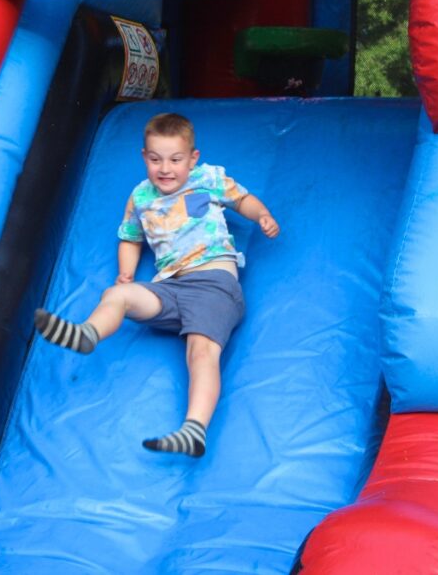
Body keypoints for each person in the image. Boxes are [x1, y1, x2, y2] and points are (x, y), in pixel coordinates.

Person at [34, 112, 279, 458]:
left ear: (192, 158)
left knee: (201, 352)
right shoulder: (141, 197)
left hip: (213, 283)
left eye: (175, 160)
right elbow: (130, 237)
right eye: (155, 159)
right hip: (170, 289)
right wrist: (126, 272)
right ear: (144, 157)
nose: (165, 168)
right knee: (116, 295)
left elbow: (242, 199)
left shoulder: (207, 178)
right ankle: (88, 334)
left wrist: (263, 215)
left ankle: (194, 429)